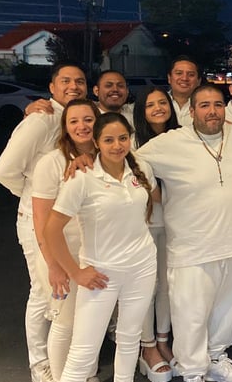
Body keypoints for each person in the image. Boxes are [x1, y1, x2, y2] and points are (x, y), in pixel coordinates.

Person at [136, 83, 232, 382]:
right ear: (191, 111)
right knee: (191, 316)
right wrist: (154, 195)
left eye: (218, 104)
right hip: (192, 247)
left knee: (227, 309)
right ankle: (192, 372)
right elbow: (131, 162)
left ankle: (216, 357)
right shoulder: (170, 142)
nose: (212, 111)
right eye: (204, 105)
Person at [44, 112, 159, 382]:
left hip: (142, 267)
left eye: (122, 138)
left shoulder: (138, 167)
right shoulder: (82, 177)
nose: (117, 145)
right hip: (101, 274)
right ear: (96, 143)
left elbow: (158, 197)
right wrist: (75, 272)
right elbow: (51, 230)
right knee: (84, 350)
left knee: (130, 339)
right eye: (108, 140)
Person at [0, 61, 88, 382]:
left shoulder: (76, 117)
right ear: (51, 87)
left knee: (68, 291)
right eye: (65, 80)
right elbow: (2, 171)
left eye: (79, 81)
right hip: (39, 219)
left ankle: (68, 361)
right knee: (45, 291)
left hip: (71, 222)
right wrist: (34, 198)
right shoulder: (41, 119)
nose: (73, 86)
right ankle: (40, 364)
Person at [30, 99, 101, 382]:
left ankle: (85, 374)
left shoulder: (109, 155)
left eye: (88, 119)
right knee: (66, 322)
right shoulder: (51, 162)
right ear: (65, 127)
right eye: (74, 121)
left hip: (95, 253)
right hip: (63, 254)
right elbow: (41, 221)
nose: (82, 126)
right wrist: (54, 265)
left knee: (91, 323)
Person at [133, 86, 181, 382]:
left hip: (176, 225)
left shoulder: (182, 139)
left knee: (167, 285)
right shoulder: (134, 145)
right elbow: (154, 194)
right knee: (146, 288)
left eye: (163, 102)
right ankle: (147, 346)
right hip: (145, 226)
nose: (158, 108)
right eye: (151, 105)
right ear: (142, 111)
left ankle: (163, 341)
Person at [167, 56, 201, 127]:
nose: (184, 78)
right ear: (169, 78)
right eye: (179, 73)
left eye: (191, 75)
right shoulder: (157, 104)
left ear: (198, 81)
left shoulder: (207, 105)